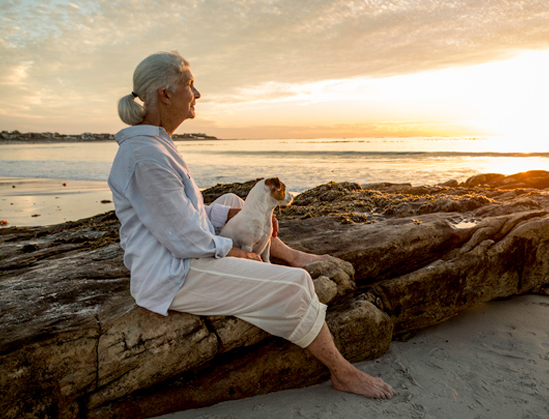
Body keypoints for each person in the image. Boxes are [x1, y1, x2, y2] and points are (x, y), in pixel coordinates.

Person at [109, 51, 394, 399]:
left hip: (179, 251)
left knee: (233, 202)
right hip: (172, 274)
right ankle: (342, 372)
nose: (197, 95)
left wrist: (224, 217)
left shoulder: (156, 144)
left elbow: (181, 213)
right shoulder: (145, 157)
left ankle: (289, 253)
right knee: (296, 284)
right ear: (164, 95)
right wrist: (238, 255)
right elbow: (182, 238)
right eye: (190, 85)